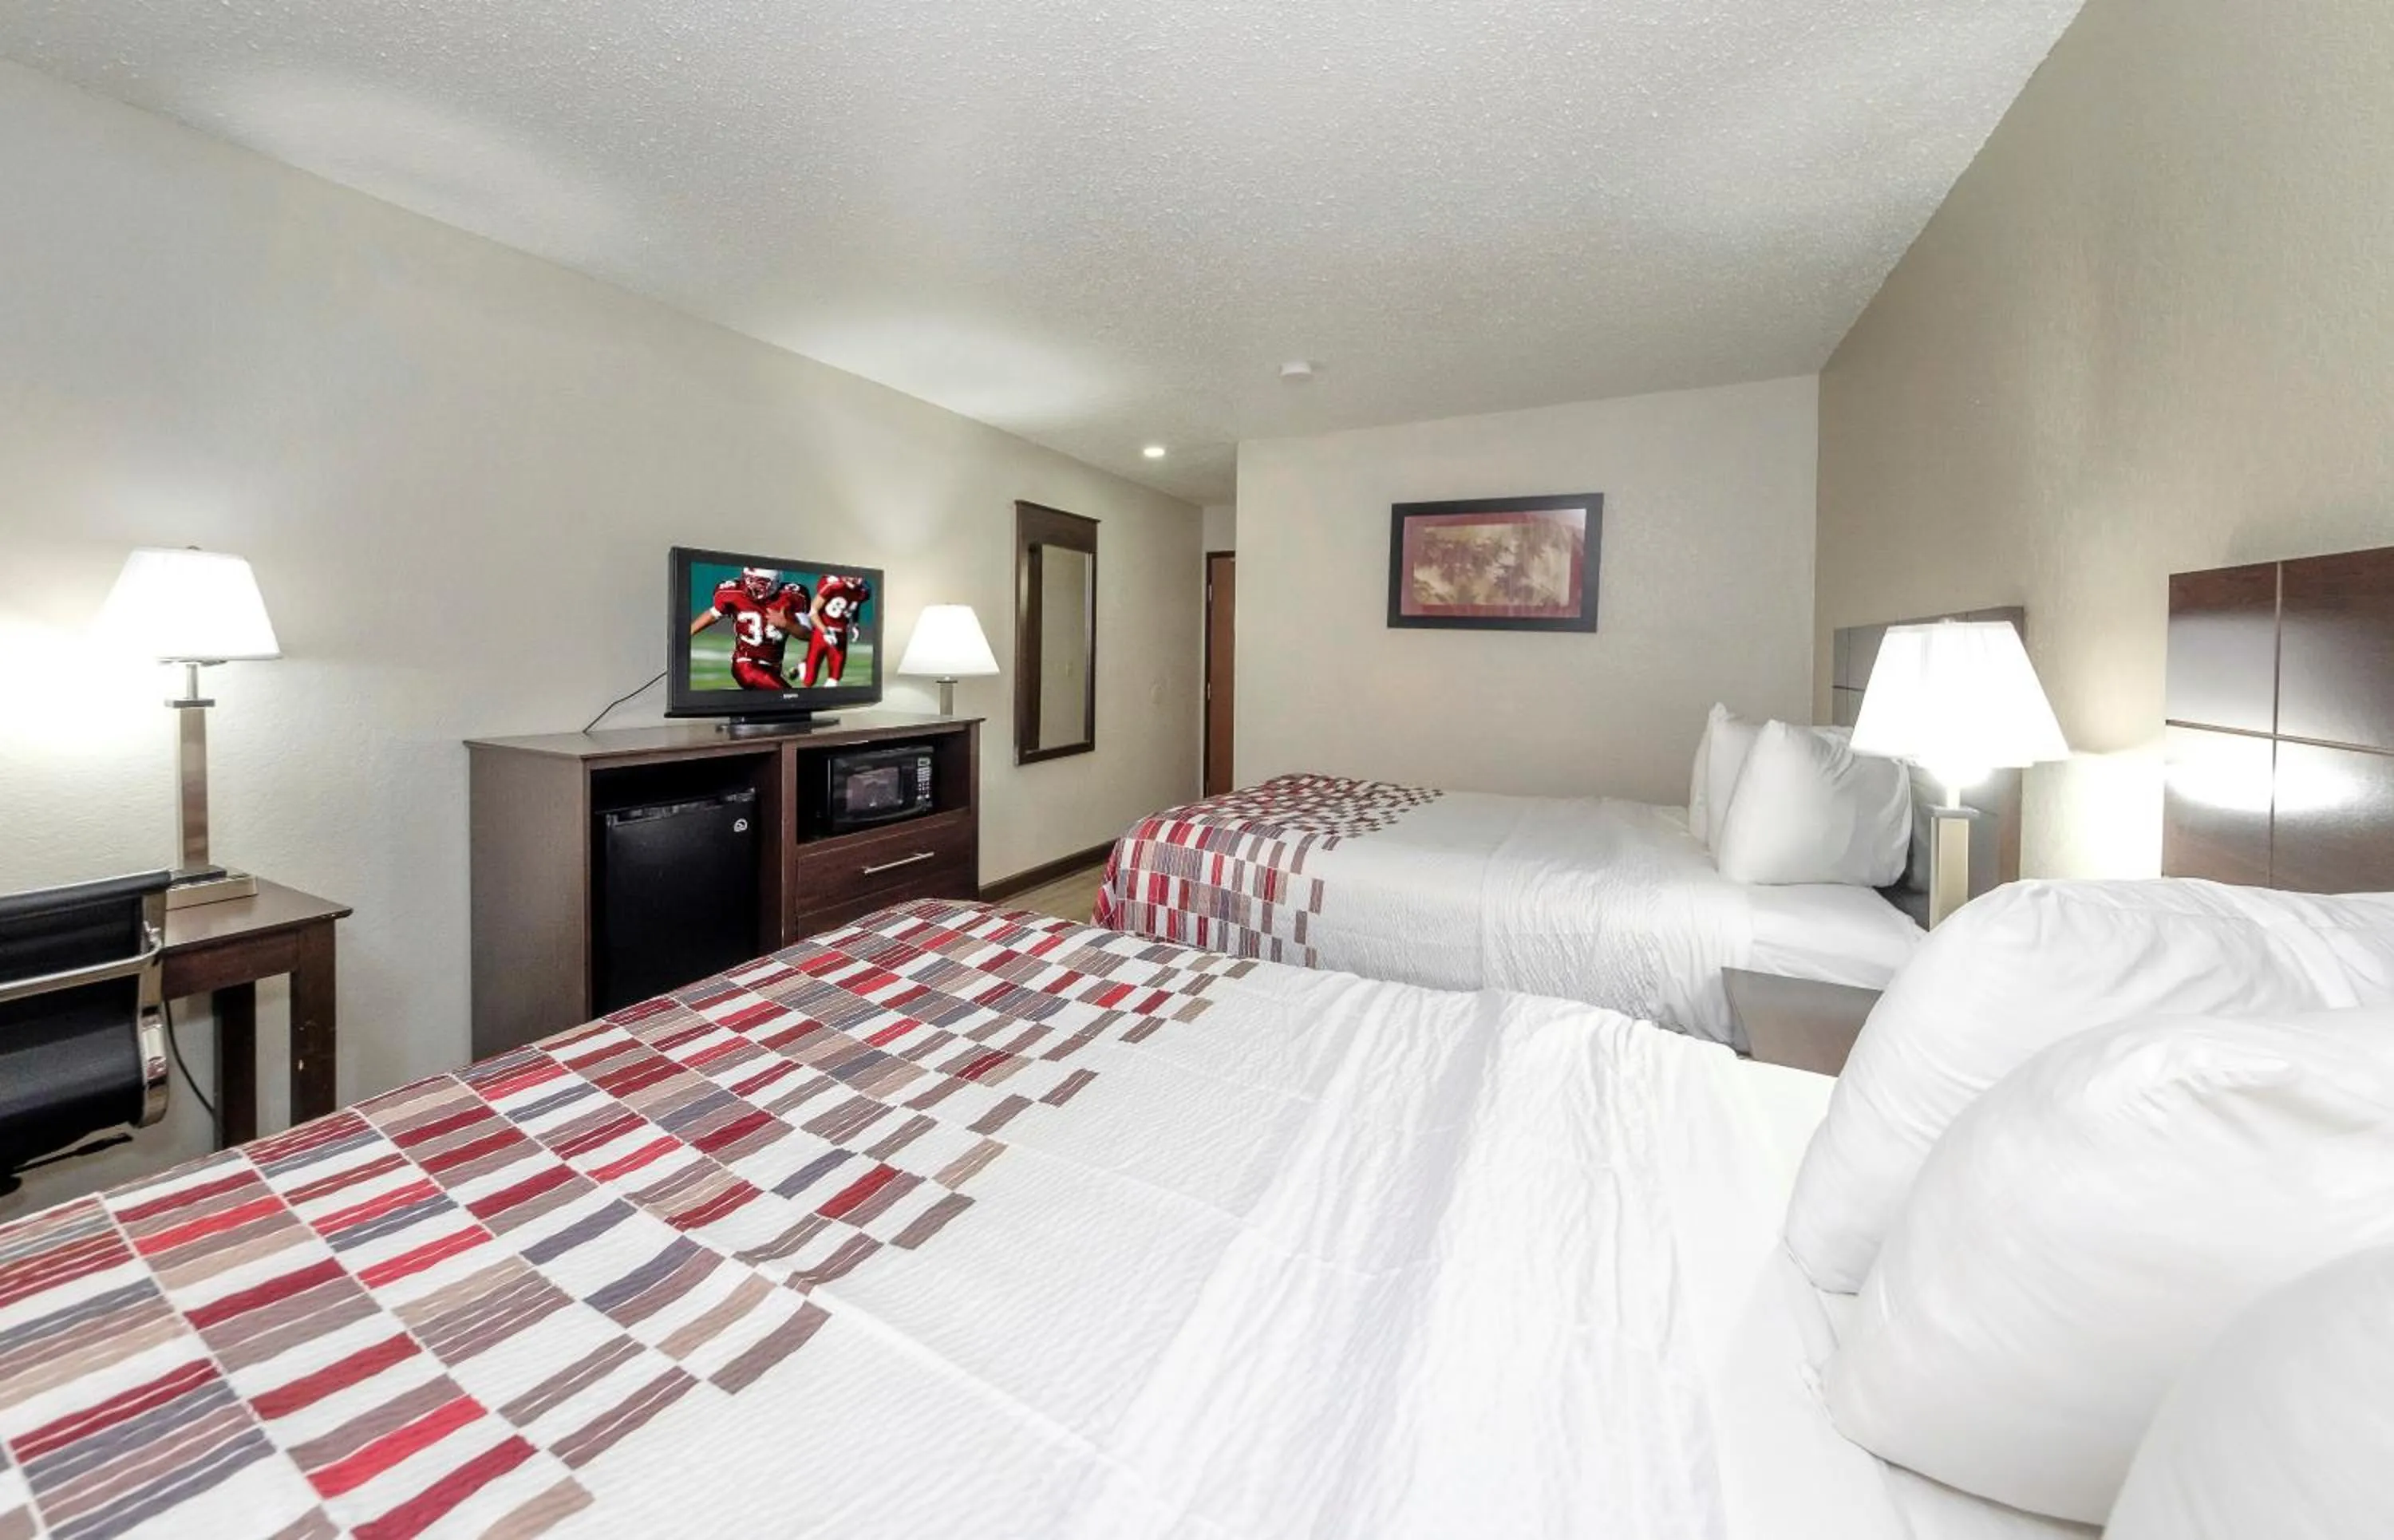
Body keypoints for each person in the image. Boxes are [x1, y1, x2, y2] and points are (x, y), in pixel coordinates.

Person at [689, 567, 809, 690]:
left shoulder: (792, 596)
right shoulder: (734, 593)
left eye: (760, 582)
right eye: (749, 580)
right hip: (746, 665)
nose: (751, 586)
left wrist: (786, 624)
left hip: (773, 667)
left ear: (775, 583)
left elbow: (808, 635)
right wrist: (688, 632)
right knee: (790, 698)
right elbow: (713, 614)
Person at [800, 573, 872, 687]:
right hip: (822, 632)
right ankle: (805, 663)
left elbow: (854, 605)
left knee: (835, 678)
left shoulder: (863, 591)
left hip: (841, 633)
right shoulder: (833, 585)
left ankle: (824, 702)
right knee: (809, 681)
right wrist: (825, 631)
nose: (859, 578)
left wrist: (855, 624)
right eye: (855, 574)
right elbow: (813, 611)